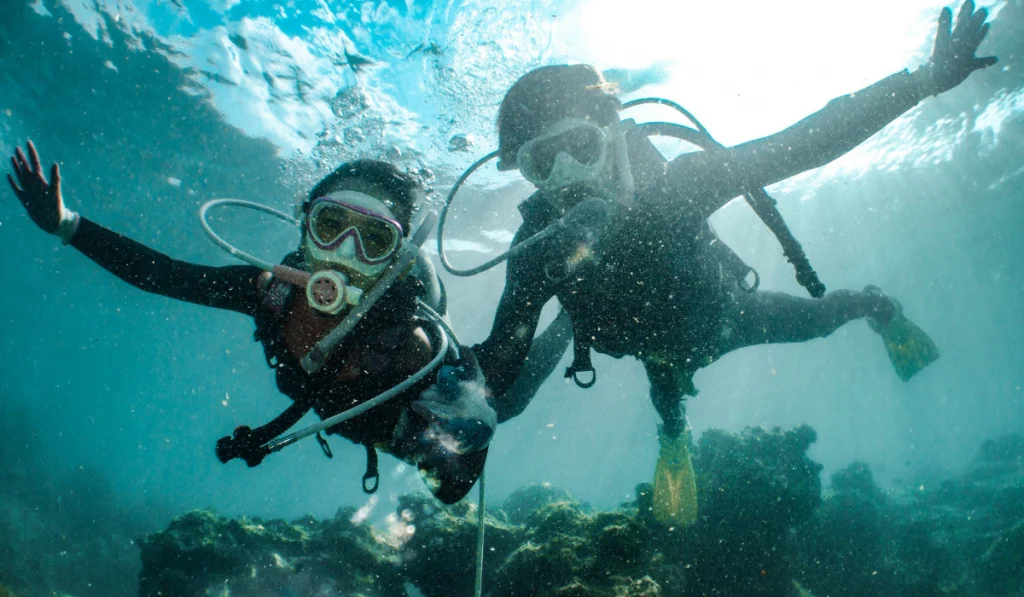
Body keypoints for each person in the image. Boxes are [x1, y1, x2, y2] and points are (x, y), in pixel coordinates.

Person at [473, 1, 990, 523]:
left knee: (819, 321)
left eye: (580, 147)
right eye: (542, 163)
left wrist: (925, 80)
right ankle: (674, 439)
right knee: (666, 404)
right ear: (525, 173)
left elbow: (803, 144)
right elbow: (499, 366)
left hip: (727, 318)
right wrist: (450, 399)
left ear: (611, 134)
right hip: (647, 347)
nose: (568, 178)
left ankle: (876, 305)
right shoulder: (538, 249)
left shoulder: (682, 188)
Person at [5, 141, 566, 503]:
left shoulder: (411, 347)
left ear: (393, 260)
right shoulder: (270, 293)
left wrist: (462, 428)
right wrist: (66, 225)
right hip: (341, 411)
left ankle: (568, 327)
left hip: (422, 405)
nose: (344, 253)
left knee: (507, 397)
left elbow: (452, 489)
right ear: (304, 233)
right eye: (330, 227)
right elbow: (165, 275)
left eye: (371, 241)